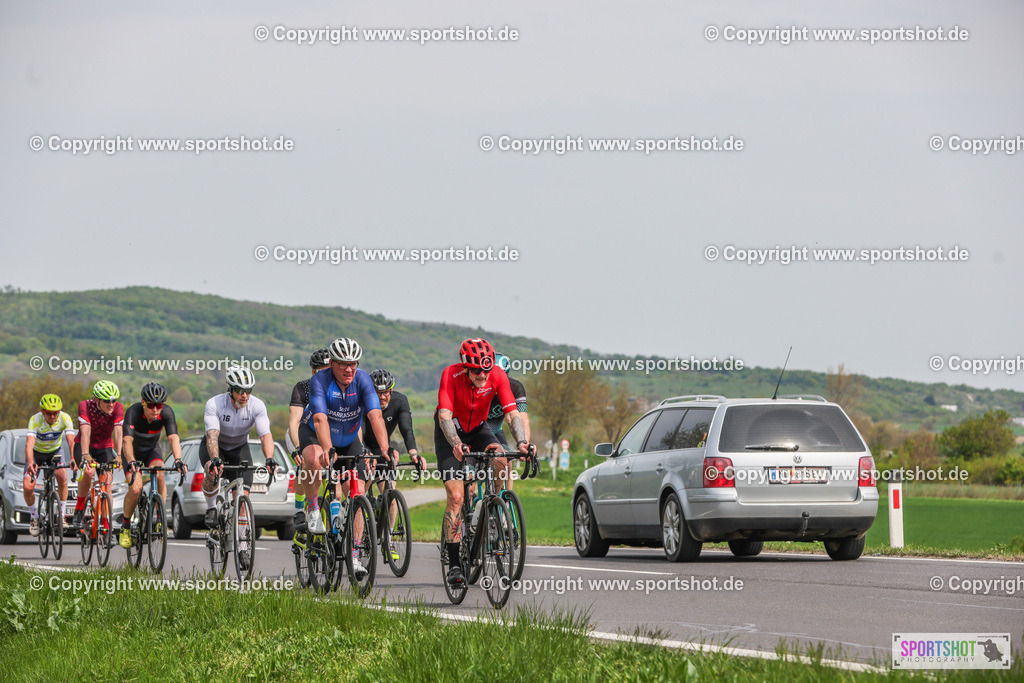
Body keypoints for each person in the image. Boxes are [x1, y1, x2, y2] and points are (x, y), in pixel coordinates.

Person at [435, 338, 533, 587]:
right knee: (456, 497)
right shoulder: (451, 375)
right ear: (465, 366)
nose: (482, 374)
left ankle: (495, 503)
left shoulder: (497, 376)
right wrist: (456, 442)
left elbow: (512, 414)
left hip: (479, 428)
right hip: (450, 432)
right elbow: (445, 414)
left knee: (501, 458)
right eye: (477, 370)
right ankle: (455, 564)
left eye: (486, 369)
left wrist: (521, 442)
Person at [297, 337, 390, 579]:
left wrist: (385, 449)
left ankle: (355, 554)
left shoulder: (362, 381)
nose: (349, 369)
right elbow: (320, 420)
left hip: (348, 439)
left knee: (357, 491)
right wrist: (327, 449)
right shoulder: (320, 380)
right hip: (316, 434)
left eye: (354, 364)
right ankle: (313, 506)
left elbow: (375, 416)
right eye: (343, 364)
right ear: (332, 363)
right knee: (315, 458)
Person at [199, 367, 277, 549]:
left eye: (249, 390)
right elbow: (212, 435)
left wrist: (269, 458)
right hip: (216, 446)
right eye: (240, 390)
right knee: (211, 469)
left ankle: (242, 547)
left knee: (243, 498)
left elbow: (265, 434)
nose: (245, 395)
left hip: (239, 448)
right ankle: (211, 507)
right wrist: (215, 459)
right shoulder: (215, 404)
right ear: (231, 390)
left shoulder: (257, 406)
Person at [119, 382, 186, 549]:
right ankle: (125, 526)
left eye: (159, 405)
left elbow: (173, 438)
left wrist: (178, 459)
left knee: (161, 474)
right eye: (151, 406)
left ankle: (159, 518)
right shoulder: (133, 412)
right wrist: (131, 461)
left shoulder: (167, 413)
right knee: (135, 489)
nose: (155, 410)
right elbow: (126, 441)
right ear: (143, 402)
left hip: (151, 450)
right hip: (131, 452)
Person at [71, 381, 124, 529]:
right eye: (107, 401)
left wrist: (119, 455)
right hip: (84, 446)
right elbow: (85, 430)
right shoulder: (85, 406)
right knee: (88, 472)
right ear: (96, 400)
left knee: (107, 483)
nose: (111, 404)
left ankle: (107, 525)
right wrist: (86, 454)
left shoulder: (117, 408)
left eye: (114, 400)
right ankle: (79, 509)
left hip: (105, 447)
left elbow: (119, 431)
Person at [288, 347, 330, 531]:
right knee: (305, 463)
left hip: (324, 433)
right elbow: (294, 421)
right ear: (313, 371)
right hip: (298, 432)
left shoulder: (337, 389)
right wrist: (297, 446)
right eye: (320, 371)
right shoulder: (302, 387)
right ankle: (299, 508)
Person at [362, 368, 422, 493]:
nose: (382, 397)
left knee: (390, 495)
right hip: (363, 446)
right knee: (361, 493)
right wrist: (365, 451)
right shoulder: (362, 402)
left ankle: (385, 507)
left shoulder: (399, 401)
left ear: (391, 390)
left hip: (383, 448)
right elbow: (359, 430)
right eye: (378, 393)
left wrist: (413, 453)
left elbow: (407, 429)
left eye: (386, 392)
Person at [24, 394, 76, 536]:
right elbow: (29, 444)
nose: (52, 416)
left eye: (55, 413)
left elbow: (71, 440)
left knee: (62, 477)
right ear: (42, 411)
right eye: (49, 413)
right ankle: (34, 518)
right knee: (28, 485)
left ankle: (61, 516)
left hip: (55, 452)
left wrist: (73, 457)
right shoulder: (35, 420)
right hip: (37, 454)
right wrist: (30, 463)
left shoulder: (65, 418)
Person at [485, 353, 530, 490]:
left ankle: (504, 503)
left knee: (507, 465)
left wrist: (524, 444)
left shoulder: (515, 388)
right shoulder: (481, 387)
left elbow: (523, 419)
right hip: (478, 431)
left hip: (496, 430)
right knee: (470, 481)